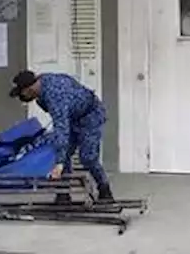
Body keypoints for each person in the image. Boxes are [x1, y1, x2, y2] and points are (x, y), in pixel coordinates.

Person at [9, 70, 113, 203]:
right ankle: (63, 194)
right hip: (73, 117)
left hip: (90, 116)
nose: (21, 97)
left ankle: (105, 190)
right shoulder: (42, 85)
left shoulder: (55, 95)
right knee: (64, 153)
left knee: (88, 157)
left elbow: (61, 128)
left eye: (21, 93)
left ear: (29, 89)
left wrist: (59, 163)